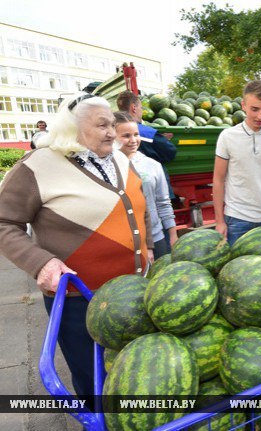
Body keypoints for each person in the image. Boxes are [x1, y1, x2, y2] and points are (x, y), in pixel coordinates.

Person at [0, 93, 153, 398]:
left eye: (112, 123)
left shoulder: (120, 159)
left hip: (136, 294)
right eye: (101, 125)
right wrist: (39, 262)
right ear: (72, 127)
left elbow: (139, 209)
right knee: (96, 385)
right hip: (80, 301)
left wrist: (146, 246)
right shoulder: (39, 165)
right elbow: (4, 222)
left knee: (136, 380)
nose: (111, 132)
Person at [213, 80, 261, 245]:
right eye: (254, 109)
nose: (260, 116)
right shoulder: (227, 136)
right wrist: (219, 221)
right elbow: (218, 180)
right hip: (237, 219)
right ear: (243, 105)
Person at [115, 111, 178, 258]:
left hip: (156, 239)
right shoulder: (108, 167)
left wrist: (173, 235)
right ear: (113, 136)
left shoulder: (153, 166)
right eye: (126, 136)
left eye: (136, 134)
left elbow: (163, 203)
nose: (133, 140)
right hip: (124, 243)